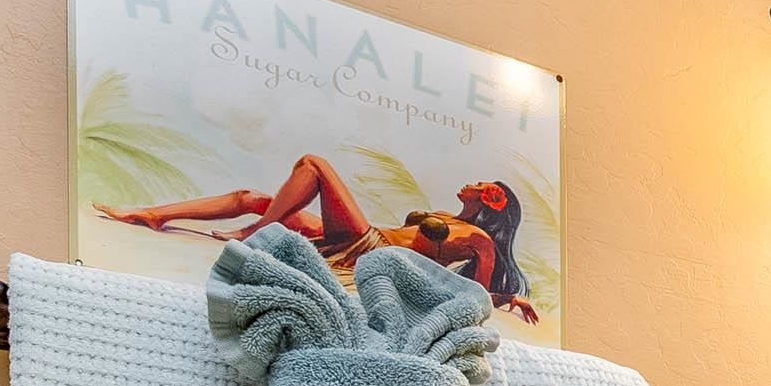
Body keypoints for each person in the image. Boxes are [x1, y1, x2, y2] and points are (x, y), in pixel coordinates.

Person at [99, 155, 536, 321]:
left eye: (481, 185)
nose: (472, 184)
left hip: (370, 249)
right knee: (255, 198)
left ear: (493, 200)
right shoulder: (443, 216)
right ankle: (155, 215)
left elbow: (469, 295)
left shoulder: (479, 241)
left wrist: (507, 298)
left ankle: (258, 230)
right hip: (360, 238)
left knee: (314, 166)